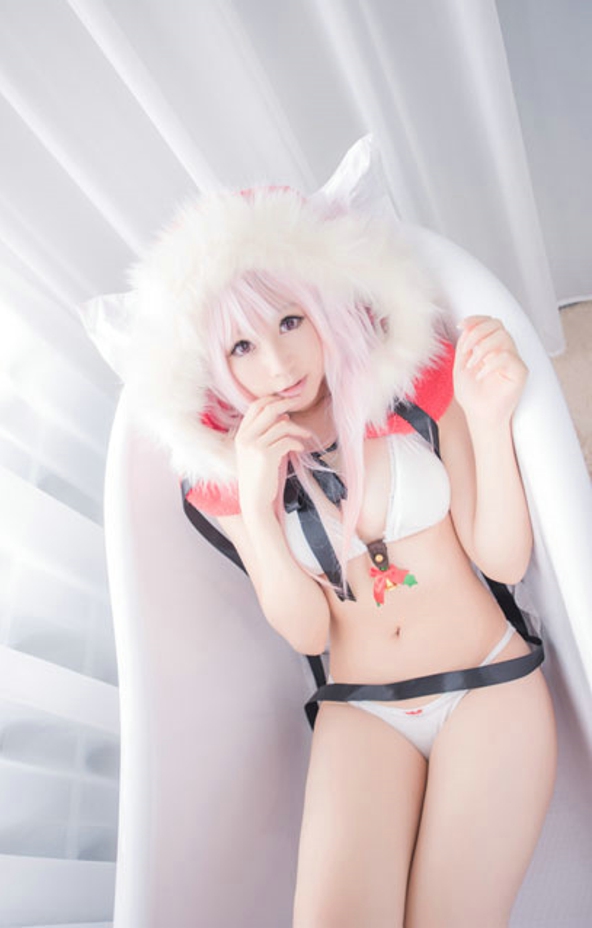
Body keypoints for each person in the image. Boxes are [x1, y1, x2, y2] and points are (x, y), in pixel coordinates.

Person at [128, 186, 557, 928]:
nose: (277, 363)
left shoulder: (416, 383)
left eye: (290, 320)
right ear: (212, 363)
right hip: (361, 711)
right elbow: (307, 632)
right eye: (241, 347)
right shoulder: (225, 472)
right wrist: (257, 504)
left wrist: (489, 420)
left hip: (488, 681)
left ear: (324, 301)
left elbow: (504, 560)